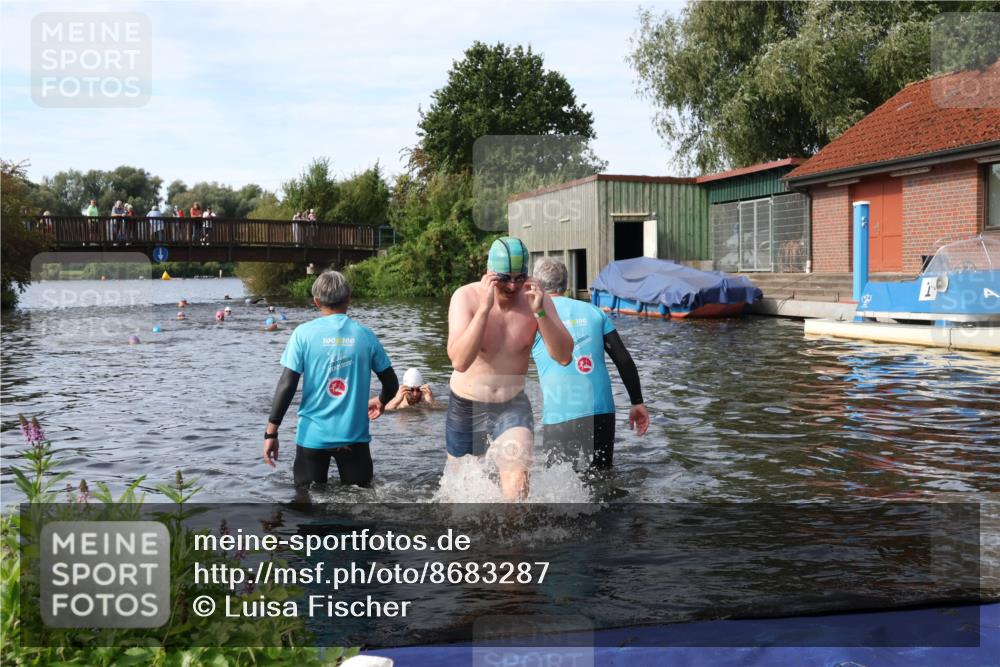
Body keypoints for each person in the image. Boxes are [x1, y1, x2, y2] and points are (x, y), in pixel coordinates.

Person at [446, 237, 573, 501]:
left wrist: (540, 313)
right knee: (459, 494)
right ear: (489, 272)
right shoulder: (465, 297)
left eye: (519, 277)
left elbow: (564, 356)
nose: (513, 285)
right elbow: (459, 361)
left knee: (517, 482)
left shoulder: (536, 298)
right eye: (504, 278)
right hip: (467, 407)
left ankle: (514, 542)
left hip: (511, 406)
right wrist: (484, 309)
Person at [264, 270, 399, 499]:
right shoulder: (365, 335)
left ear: (316, 302)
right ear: (349, 299)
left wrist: (271, 433)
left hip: (313, 437)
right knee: (361, 510)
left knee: (306, 508)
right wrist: (382, 400)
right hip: (354, 437)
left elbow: (287, 385)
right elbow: (391, 382)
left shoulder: (303, 334)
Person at [530, 258, 649, 470]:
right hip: (601, 411)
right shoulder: (594, 312)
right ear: (566, 284)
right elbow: (623, 359)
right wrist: (637, 401)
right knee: (603, 479)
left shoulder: (534, 317)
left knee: (561, 487)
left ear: (537, 286)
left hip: (560, 413)